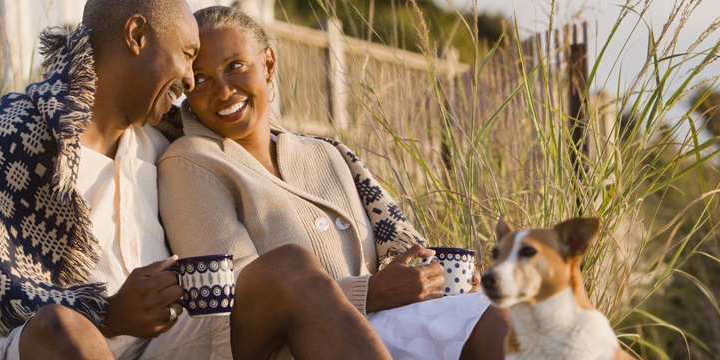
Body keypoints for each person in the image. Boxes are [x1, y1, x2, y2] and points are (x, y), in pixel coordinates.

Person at [0, 1, 392, 359]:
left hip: (158, 351)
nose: (193, 81)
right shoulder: (22, 133)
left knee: (289, 272)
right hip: (46, 349)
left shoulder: (155, 146)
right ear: (136, 36)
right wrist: (106, 314)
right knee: (65, 331)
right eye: (188, 55)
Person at [158, 6, 510, 360]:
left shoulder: (327, 154)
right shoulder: (191, 162)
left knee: (501, 313)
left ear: (268, 64)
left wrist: (431, 281)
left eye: (236, 66)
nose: (222, 90)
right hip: (301, 345)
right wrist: (369, 292)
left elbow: (389, 260)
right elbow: (242, 297)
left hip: (385, 325)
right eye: (200, 79)